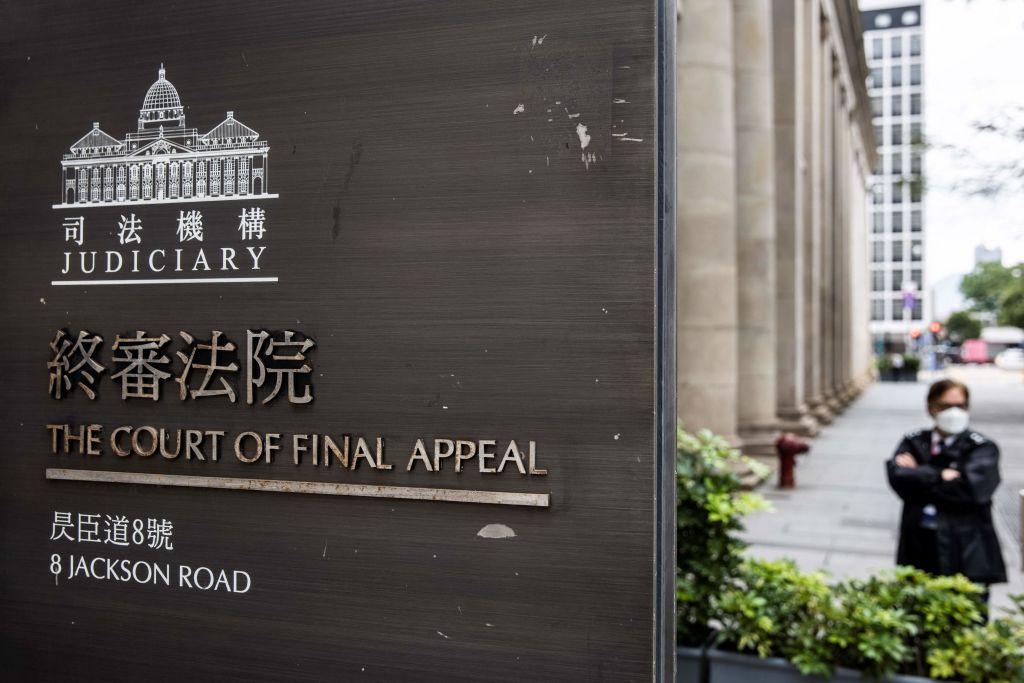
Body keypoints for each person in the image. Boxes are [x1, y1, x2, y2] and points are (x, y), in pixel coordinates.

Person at [886, 378, 1007, 605]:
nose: (953, 412)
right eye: (945, 406)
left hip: (967, 550)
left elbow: (971, 492)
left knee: (966, 619)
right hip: (919, 546)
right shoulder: (914, 442)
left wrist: (920, 474)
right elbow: (899, 478)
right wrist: (941, 476)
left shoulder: (981, 447)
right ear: (931, 408)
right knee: (916, 616)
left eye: (960, 406)